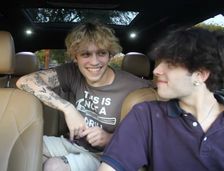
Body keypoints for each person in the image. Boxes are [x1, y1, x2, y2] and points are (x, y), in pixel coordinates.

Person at [16, 21, 152, 171]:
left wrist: (110, 139)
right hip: (73, 143)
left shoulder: (137, 87)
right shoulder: (72, 72)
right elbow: (25, 81)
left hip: (106, 154)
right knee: (21, 145)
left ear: (110, 55)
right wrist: (68, 108)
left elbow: (149, 139)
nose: (94, 62)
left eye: (101, 53)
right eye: (85, 54)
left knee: (54, 166)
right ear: (75, 57)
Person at [97, 27, 224, 171]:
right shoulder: (145, 115)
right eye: (159, 62)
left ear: (200, 75)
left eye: (170, 64)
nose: (156, 71)